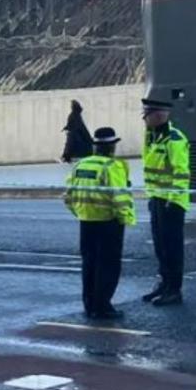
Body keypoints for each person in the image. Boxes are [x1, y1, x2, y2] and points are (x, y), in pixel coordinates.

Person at [64, 127, 136, 320]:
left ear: (96, 146)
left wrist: (80, 212)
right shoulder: (112, 166)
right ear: (112, 146)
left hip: (86, 221)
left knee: (89, 264)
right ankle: (103, 306)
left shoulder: (81, 165)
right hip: (108, 222)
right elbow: (119, 196)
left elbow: (68, 196)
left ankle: (89, 305)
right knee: (108, 265)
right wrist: (125, 218)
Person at [140, 98, 190, 307]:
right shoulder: (151, 136)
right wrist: (152, 197)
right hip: (157, 198)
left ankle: (174, 290)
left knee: (172, 247)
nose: (144, 119)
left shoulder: (174, 139)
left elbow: (181, 172)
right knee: (160, 245)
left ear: (159, 115)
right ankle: (164, 283)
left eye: (147, 115)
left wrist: (173, 200)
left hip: (172, 202)